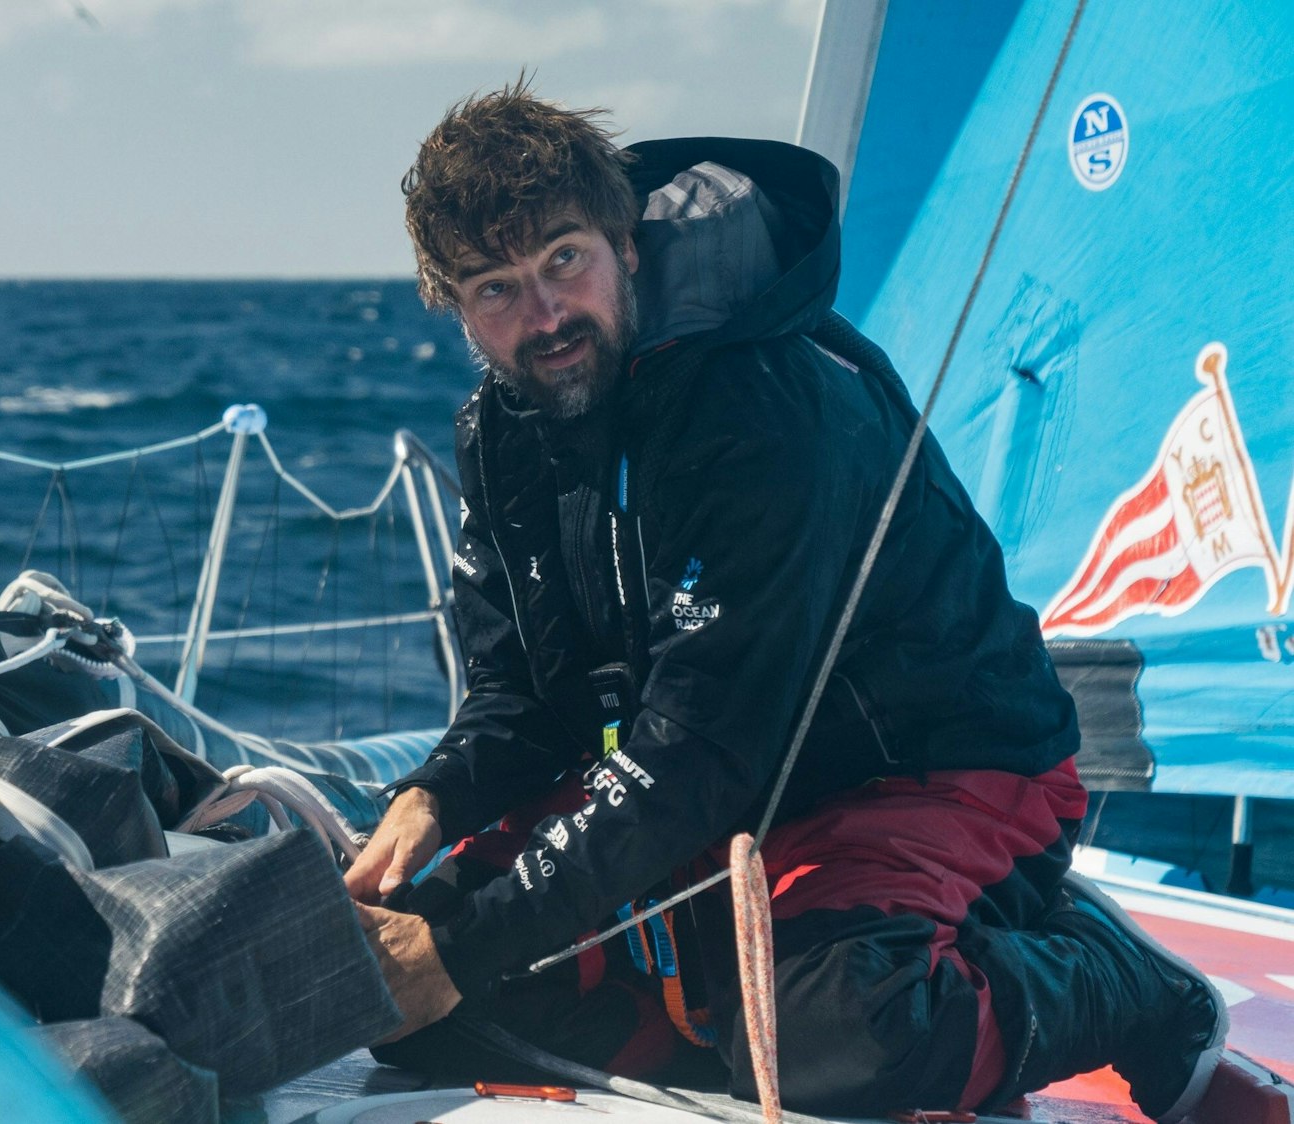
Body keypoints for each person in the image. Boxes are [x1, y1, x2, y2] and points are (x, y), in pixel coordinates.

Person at [343, 81, 1228, 1121]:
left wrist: (465, 944)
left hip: (936, 766)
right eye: (495, 288)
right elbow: (522, 693)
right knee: (397, 997)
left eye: (562, 261)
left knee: (836, 1037)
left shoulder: (759, 401)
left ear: (624, 244)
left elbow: (706, 738)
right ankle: (728, 1002)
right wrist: (434, 794)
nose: (543, 317)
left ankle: (1113, 974)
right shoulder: (502, 431)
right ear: (452, 307)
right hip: (731, 789)